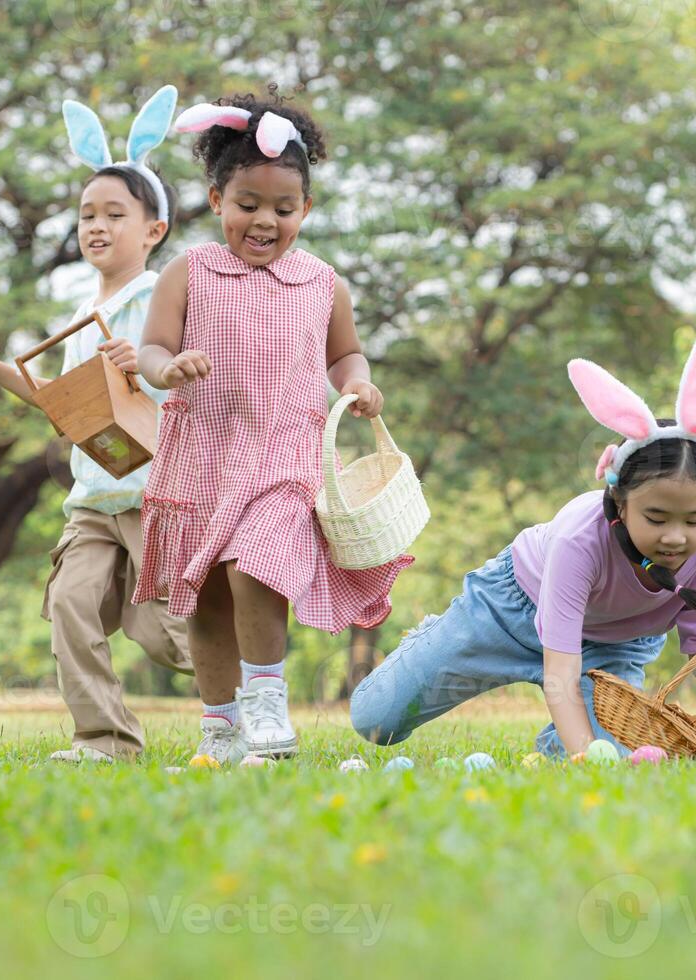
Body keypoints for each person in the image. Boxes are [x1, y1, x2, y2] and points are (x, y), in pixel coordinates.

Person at [350, 328, 696, 756]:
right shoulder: (579, 539)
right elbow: (559, 677)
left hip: (614, 647)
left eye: (694, 519)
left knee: (617, 749)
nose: (675, 536)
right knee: (375, 720)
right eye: (656, 517)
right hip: (509, 614)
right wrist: (586, 757)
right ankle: (436, 637)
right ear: (621, 503)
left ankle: (558, 746)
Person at [133, 86, 411, 767]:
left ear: (305, 209)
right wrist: (167, 370)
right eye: (247, 205)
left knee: (257, 565)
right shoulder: (189, 273)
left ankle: (264, 699)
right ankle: (220, 727)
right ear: (216, 199)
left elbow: (345, 353)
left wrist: (356, 383)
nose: (264, 221)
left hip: (286, 458)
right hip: (202, 458)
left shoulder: (323, 284)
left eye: (283, 209)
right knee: (206, 602)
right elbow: (150, 351)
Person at [0, 87, 191, 763]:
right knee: (70, 605)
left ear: (153, 230)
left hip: (154, 496)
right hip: (92, 500)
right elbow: (61, 401)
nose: (97, 226)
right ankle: (106, 740)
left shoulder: (162, 295)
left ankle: (249, 699)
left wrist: (143, 365)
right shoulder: (83, 313)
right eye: (88, 214)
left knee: (162, 634)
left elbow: (182, 378)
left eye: (116, 213)